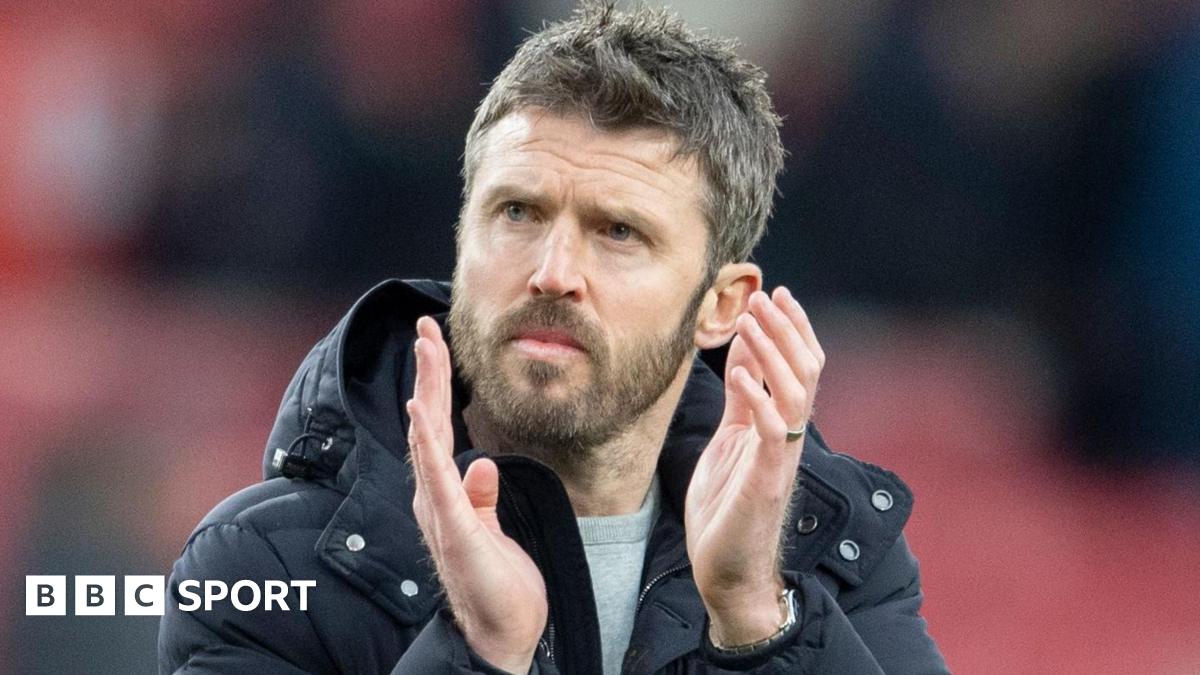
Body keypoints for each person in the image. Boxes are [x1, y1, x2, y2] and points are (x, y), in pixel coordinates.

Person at [158, 4, 948, 673]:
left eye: (618, 231)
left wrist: (752, 618)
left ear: (720, 305)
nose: (553, 270)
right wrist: (480, 652)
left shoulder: (839, 561)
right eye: (518, 213)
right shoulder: (264, 566)